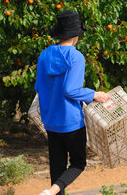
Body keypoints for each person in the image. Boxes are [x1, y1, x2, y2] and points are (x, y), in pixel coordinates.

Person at [36, 10, 110, 195]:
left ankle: (52, 191)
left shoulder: (44, 55)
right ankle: (50, 192)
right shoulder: (75, 57)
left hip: (51, 121)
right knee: (78, 163)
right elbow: (71, 90)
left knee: (57, 168)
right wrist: (94, 94)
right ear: (76, 35)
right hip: (71, 122)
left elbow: (38, 86)